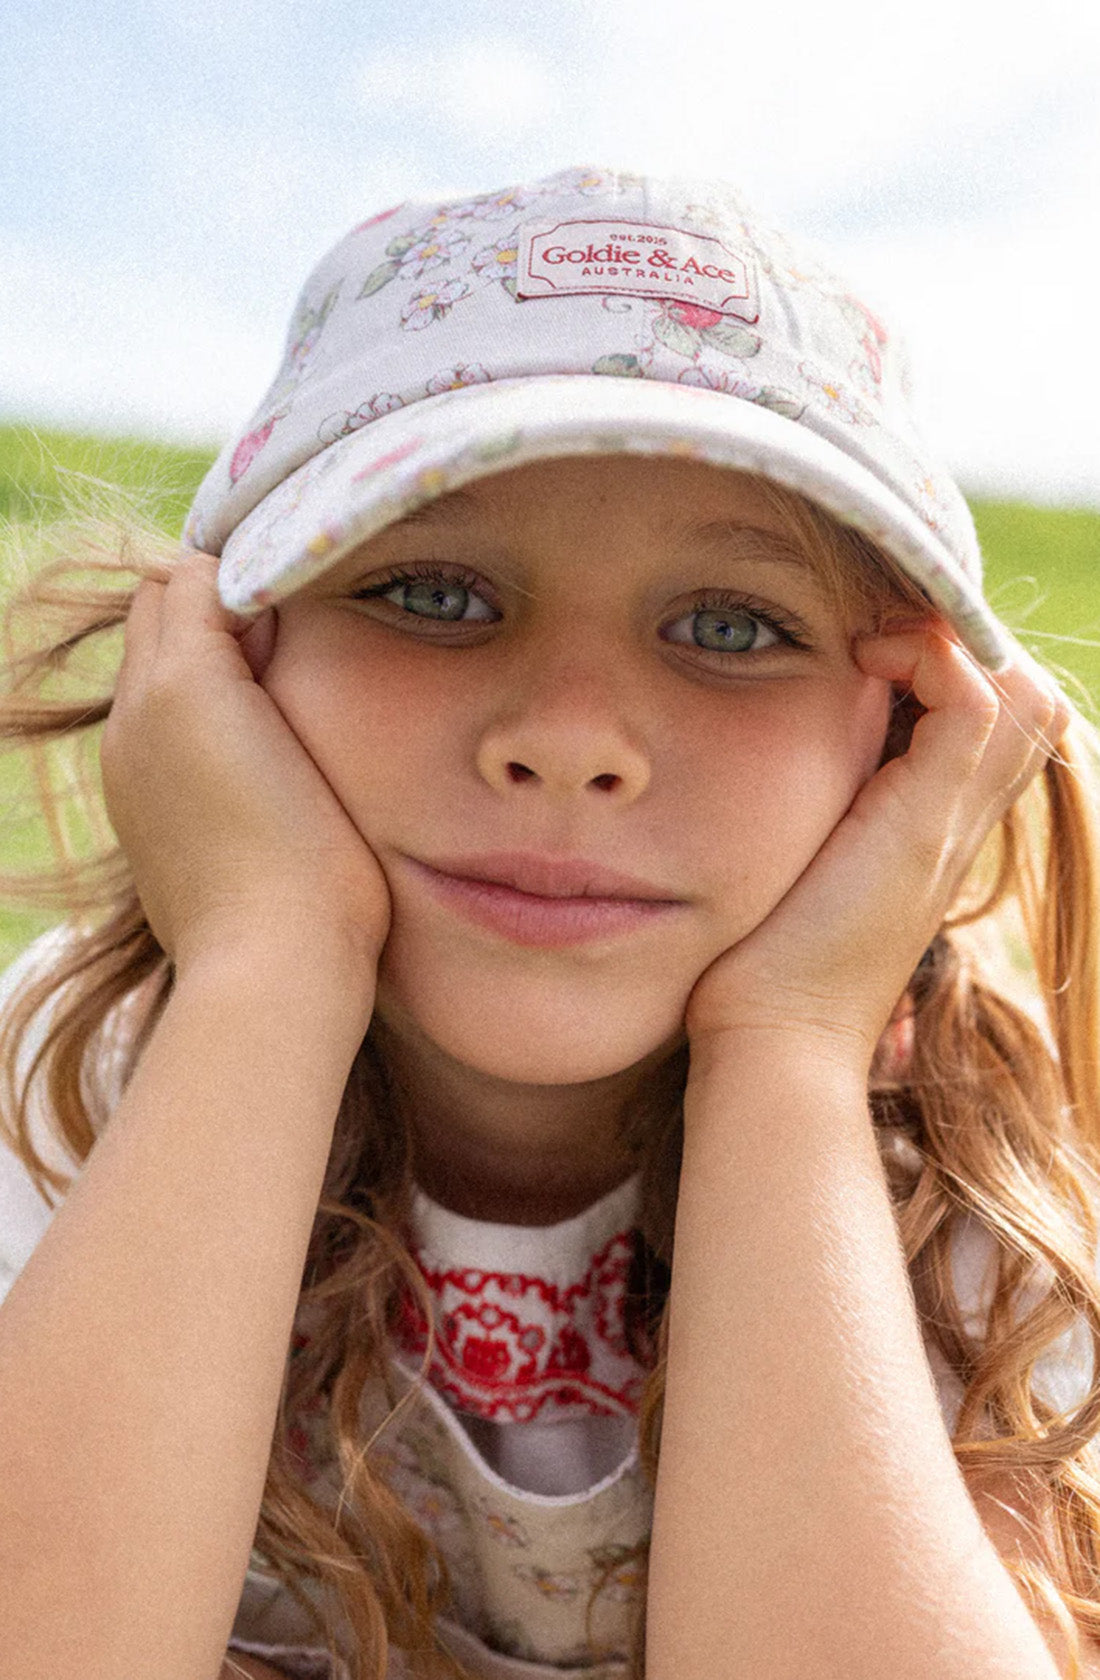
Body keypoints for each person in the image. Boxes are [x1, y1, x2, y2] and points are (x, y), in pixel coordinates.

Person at [0, 163, 1096, 1680]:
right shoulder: (68, 1080)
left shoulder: (986, 1194)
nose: (573, 737)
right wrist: (267, 968)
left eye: (730, 626)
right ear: (230, 663)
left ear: (910, 740)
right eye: (435, 595)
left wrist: (785, 1057)